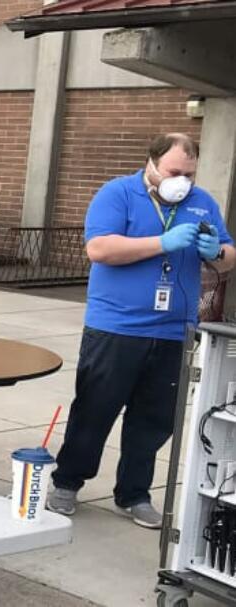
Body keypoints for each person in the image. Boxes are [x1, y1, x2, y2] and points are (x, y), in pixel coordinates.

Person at [48, 133, 235, 528]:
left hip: (173, 330)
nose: (181, 180)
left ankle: (133, 493)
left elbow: (229, 256)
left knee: (154, 418)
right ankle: (67, 482)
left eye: (189, 173)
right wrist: (162, 242)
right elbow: (100, 249)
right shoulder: (118, 194)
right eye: (173, 171)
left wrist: (215, 252)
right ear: (151, 163)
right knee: (96, 407)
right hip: (116, 325)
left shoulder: (202, 203)